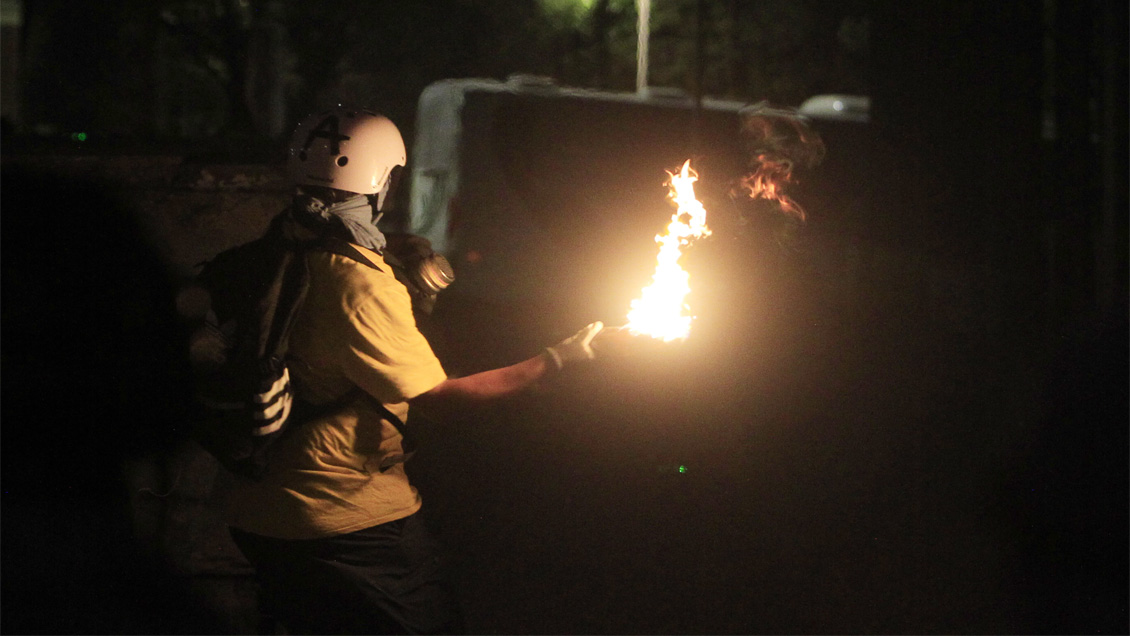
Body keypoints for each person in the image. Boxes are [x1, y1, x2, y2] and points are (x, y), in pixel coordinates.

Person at [223, 106, 607, 635]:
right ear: (383, 181)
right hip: (344, 518)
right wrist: (557, 360)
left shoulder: (280, 241)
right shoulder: (358, 281)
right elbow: (439, 397)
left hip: (256, 510)